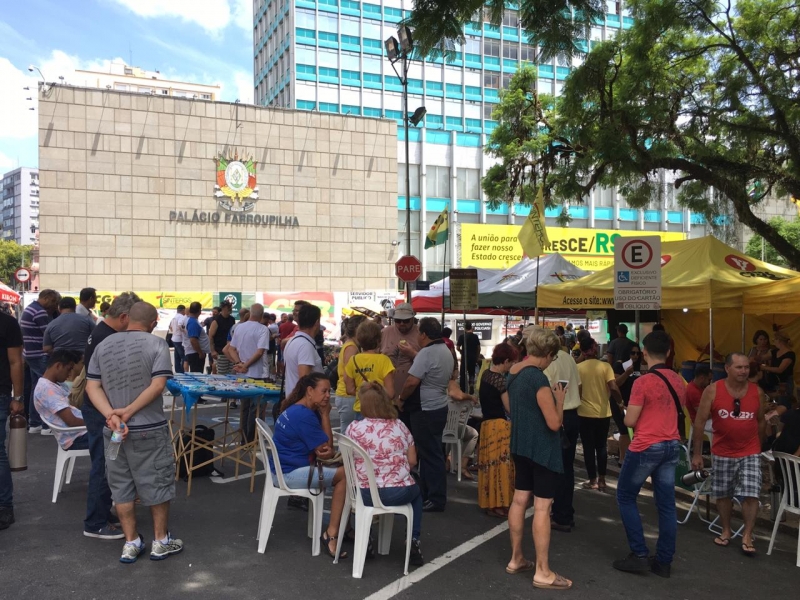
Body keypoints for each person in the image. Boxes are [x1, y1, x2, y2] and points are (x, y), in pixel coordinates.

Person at [86, 302, 181, 563]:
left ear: (127, 319)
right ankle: (160, 541)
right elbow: (159, 384)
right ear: (152, 324)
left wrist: (111, 415)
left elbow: (92, 386)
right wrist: (127, 411)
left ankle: (131, 542)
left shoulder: (103, 345)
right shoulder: (157, 344)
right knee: (158, 483)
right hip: (148, 428)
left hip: (114, 430)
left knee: (121, 487)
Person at [613, 330, 686, 577]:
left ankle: (640, 553)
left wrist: (624, 409)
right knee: (666, 505)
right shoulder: (678, 379)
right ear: (668, 353)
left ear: (644, 353)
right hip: (671, 445)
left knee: (625, 496)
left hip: (645, 445)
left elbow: (631, 421)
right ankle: (664, 561)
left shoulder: (642, 382)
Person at [506, 326, 571, 590]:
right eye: (553, 357)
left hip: (520, 445)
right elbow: (554, 423)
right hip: (542, 450)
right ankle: (543, 571)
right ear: (547, 353)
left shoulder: (514, 372)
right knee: (543, 507)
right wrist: (559, 399)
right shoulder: (538, 380)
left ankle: (516, 558)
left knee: (519, 499)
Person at [692, 352, 766, 557]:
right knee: (723, 494)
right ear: (727, 369)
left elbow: (760, 421)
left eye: (746, 367)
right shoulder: (712, 390)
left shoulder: (757, 392)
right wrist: (697, 454)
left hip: (750, 451)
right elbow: (699, 423)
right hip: (722, 451)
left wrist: (758, 446)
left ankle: (747, 535)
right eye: (739, 367)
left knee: (752, 493)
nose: (744, 371)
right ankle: (726, 529)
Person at [345, 381, 424, 566]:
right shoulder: (400, 427)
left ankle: (365, 539)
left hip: (363, 493)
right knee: (417, 492)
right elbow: (412, 461)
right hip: (397, 492)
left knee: (362, 505)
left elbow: (347, 459)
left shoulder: (354, 428)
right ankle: (413, 539)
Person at [81, 292, 140, 540]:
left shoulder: (102, 332)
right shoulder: (107, 338)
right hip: (103, 413)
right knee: (105, 466)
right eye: (136, 321)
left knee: (107, 464)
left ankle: (102, 513)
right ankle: (95, 522)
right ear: (124, 317)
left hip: (102, 411)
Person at [273, 373, 348, 559]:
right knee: (345, 475)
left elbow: (323, 452)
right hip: (290, 473)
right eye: (324, 391)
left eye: (329, 391)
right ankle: (331, 533)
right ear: (309, 391)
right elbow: (327, 449)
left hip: (282, 468)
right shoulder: (305, 415)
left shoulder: (296, 409)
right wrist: (325, 415)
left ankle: (346, 527)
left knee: (342, 469)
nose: (328, 396)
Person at [396, 317, 454, 513]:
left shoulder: (427, 353)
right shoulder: (445, 350)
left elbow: (411, 381)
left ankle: (435, 497)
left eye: (419, 333)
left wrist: (401, 399)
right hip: (439, 406)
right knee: (433, 451)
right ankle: (430, 493)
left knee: (430, 454)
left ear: (424, 334)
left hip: (426, 408)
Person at [577, 337, 625, 491]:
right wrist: (620, 402)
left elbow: (578, 391)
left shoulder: (578, 368)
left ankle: (592, 480)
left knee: (588, 448)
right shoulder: (605, 366)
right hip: (603, 413)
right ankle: (602, 480)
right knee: (601, 447)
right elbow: (613, 386)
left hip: (584, 413)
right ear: (593, 349)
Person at [544, 344, 583, 532]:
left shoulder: (548, 362)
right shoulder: (569, 358)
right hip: (573, 414)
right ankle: (565, 511)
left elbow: (545, 394)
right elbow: (579, 386)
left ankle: (561, 515)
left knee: (557, 468)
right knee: (567, 468)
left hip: (559, 415)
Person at [477, 341, 518, 518]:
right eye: (511, 362)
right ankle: (499, 503)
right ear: (506, 360)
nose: (511, 366)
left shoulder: (486, 374)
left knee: (488, 467)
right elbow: (509, 408)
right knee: (501, 467)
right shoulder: (500, 380)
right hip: (499, 427)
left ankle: (489, 501)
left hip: (486, 425)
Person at [20, 288, 61, 433]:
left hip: (30, 354)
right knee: (47, 389)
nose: (54, 306)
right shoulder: (40, 312)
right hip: (40, 354)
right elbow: (49, 334)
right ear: (48, 298)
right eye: (54, 302)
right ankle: (45, 425)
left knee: (35, 389)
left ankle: (35, 423)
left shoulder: (30, 309)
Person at [228, 303, 270, 441]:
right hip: (257, 374)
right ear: (262, 314)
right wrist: (245, 365)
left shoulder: (239, 327)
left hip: (242, 373)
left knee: (245, 407)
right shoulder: (263, 329)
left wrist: (239, 363)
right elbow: (259, 352)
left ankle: (244, 438)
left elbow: (231, 349)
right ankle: (251, 439)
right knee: (256, 409)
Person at [33, 349, 87, 449]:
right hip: (77, 437)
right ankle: (108, 462)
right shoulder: (48, 389)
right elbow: (71, 421)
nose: (70, 374)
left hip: (79, 433)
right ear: (58, 366)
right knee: (114, 435)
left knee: (116, 432)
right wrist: (96, 423)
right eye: (68, 369)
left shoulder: (52, 385)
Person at [0, 308, 24, 530]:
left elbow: (16, 362)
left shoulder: (7, 323)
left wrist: (17, 396)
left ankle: (4, 506)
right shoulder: (8, 323)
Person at [381, 302, 420, 429]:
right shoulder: (385, 332)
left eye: (406, 321)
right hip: (387, 396)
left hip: (413, 397)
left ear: (413, 319)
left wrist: (413, 353)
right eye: (398, 321)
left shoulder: (421, 334)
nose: (401, 324)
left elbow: (429, 362)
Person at [344, 320, 395, 419]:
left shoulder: (353, 360)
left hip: (361, 409)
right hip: (381, 410)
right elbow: (390, 393)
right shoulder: (384, 360)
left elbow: (349, 390)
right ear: (379, 340)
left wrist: (365, 394)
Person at [612, 343, 646, 463]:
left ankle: (630, 457)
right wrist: (626, 373)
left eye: (638, 353)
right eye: (633, 353)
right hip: (619, 402)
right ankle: (623, 459)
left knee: (634, 430)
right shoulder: (619, 365)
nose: (635, 356)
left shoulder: (638, 366)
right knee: (624, 431)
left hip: (633, 403)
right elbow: (615, 384)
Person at [333, 315, 366, 434]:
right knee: (348, 433)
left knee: (349, 431)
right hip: (348, 395)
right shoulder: (352, 347)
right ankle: (344, 453)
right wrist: (354, 390)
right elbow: (349, 373)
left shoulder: (351, 344)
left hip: (346, 394)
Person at [283, 303, 324, 395]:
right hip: (304, 404)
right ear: (317, 323)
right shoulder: (305, 345)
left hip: (295, 401)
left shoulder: (294, 340)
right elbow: (304, 382)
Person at [760, 331, 795, 399]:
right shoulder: (774, 351)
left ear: (779, 340)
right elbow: (763, 357)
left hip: (784, 384)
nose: (773, 342)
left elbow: (780, 369)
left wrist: (765, 368)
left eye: (774, 340)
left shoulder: (790, 354)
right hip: (773, 381)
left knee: (783, 402)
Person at [208, 301, 235, 375]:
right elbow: (211, 336)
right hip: (219, 351)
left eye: (231, 307)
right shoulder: (216, 321)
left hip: (230, 351)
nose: (230, 309)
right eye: (228, 307)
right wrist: (212, 351)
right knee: (221, 373)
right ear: (223, 308)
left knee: (231, 373)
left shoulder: (232, 319)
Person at [182, 302, 209, 373]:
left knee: (196, 373)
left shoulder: (190, 320)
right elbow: (193, 340)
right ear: (199, 311)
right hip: (195, 353)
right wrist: (200, 353)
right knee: (197, 374)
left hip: (194, 352)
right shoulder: (193, 322)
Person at [457, 321, 481, 393]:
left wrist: (462, 352)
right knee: (471, 372)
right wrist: (477, 356)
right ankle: (471, 384)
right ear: (471, 327)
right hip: (473, 357)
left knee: (463, 373)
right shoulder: (475, 336)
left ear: (464, 328)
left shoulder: (462, 336)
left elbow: (457, 347)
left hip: (465, 358)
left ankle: (463, 389)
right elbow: (478, 348)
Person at [168, 305, 186, 374]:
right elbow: (180, 325)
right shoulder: (181, 317)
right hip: (179, 339)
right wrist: (184, 332)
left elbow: (170, 327)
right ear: (183, 310)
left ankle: (177, 370)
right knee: (183, 357)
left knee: (177, 356)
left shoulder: (174, 317)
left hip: (174, 338)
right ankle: (182, 371)